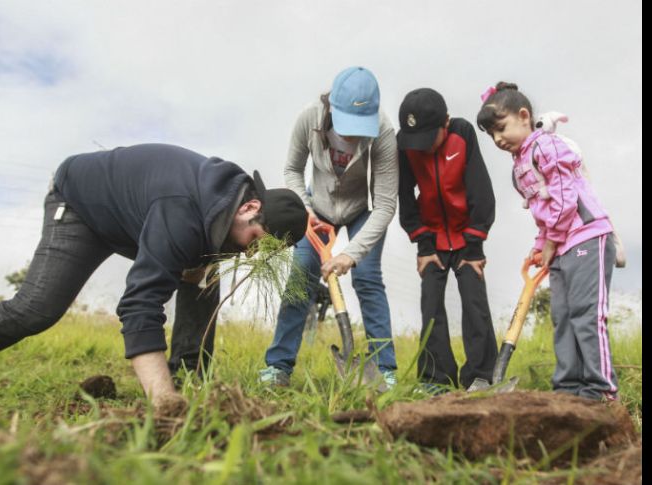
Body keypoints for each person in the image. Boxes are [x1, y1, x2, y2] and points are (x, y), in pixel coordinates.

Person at [0, 143, 308, 413]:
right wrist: (163, 402)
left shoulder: (228, 215)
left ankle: (188, 377)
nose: (251, 254)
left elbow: (196, 275)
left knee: (204, 276)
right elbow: (139, 303)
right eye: (255, 240)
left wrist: (197, 272)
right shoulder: (181, 210)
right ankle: (167, 393)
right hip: (81, 207)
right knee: (35, 310)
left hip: (138, 221)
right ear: (250, 207)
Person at [476, 82, 619, 401]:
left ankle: (600, 390)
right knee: (563, 316)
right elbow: (544, 211)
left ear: (523, 116)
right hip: (561, 245)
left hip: (586, 236)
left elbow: (566, 198)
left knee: (585, 313)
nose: (498, 138)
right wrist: (542, 244)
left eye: (501, 128)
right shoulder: (520, 165)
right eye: (491, 135)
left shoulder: (547, 147)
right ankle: (568, 389)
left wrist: (551, 239)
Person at [259, 66, 399, 387]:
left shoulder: (383, 132)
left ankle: (385, 371)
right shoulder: (309, 119)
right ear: (332, 107)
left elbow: (386, 204)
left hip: (362, 210)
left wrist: (350, 254)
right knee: (301, 277)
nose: (353, 135)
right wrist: (306, 211)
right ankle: (278, 367)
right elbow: (292, 171)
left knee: (367, 279)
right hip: (316, 208)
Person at [397, 88, 498, 392]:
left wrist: (475, 246)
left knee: (475, 304)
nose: (423, 148)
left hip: (467, 240)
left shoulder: (462, 133)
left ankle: (481, 376)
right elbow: (405, 196)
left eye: (429, 139)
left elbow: (481, 191)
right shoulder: (406, 146)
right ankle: (434, 380)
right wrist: (423, 244)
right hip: (432, 243)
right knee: (431, 307)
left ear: (446, 123)